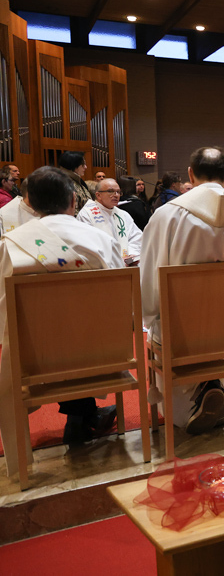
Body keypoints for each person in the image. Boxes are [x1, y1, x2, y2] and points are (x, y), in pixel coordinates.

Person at [141, 147, 224, 434]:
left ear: (190, 174)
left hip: (181, 335)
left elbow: (149, 285)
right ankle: (212, 391)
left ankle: (193, 406)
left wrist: (148, 316)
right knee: (207, 329)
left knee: (163, 326)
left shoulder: (167, 216)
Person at [0, 167, 124, 460]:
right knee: (80, 329)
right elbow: (123, 300)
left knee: (51, 332)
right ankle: (83, 415)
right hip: (101, 349)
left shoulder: (11, 244)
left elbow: (4, 307)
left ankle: (81, 415)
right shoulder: (101, 240)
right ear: (73, 200)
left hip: (35, 354)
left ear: (30, 203)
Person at [77, 178, 143, 263]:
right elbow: (87, 243)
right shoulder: (86, 214)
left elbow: (136, 238)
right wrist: (115, 260)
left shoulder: (123, 215)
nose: (116, 195)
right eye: (110, 191)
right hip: (103, 265)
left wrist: (130, 255)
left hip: (126, 264)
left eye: (118, 192)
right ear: (98, 195)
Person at [57, 151, 94, 215]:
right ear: (74, 165)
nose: (85, 167)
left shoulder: (77, 181)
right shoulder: (63, 183)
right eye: (83, 164)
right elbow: (72, 212)